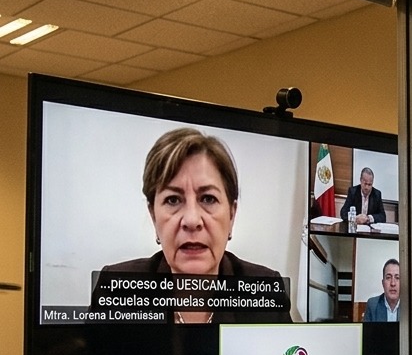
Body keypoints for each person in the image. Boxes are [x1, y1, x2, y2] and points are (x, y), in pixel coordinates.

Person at [95, 127, 291, 324]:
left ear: (231, 215)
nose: (191, 220)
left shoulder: (265, 293)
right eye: (173, 200)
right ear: (153, 216)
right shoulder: (116, 289)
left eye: (208, 198)